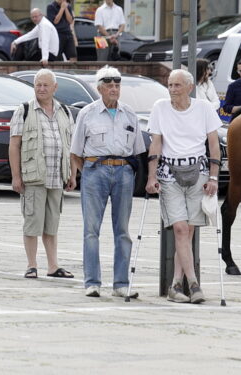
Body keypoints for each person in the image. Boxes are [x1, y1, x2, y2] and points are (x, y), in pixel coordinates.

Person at [145, 69, 221, 304]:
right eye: (169, 85)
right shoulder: (160, 107)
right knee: (179, 229)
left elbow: (214, 145)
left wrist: (214, 178)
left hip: (197, 173)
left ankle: (176, 285)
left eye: (177, 85)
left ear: (189, 87)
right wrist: (151, 177)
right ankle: (194, 284)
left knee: (188, 231)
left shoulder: (204, 108)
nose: (172, 90)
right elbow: (155, 144)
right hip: (169, 174)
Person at [68, 66, 145, 298]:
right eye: (109, 85)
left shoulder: (130, 113)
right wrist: (90, 171)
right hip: (95, 170)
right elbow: (75, 152)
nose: (114, 89)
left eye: (117, 85)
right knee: (91, 230)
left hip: (123, 172)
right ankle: (92, 282)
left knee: (122, 230)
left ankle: (121, 283)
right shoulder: (88, 113)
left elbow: (138, 149)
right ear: (100, 88)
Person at [8, 69, 74, 280]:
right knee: (32, 222)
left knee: (52, 223)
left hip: (57, 176)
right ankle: (31, 265)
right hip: (33, 175)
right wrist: (16, 176)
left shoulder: (64, 110)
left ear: (55, 88)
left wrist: (72, 174)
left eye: (46, 85)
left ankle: (53, 266)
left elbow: (70, 145)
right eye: (38, 85)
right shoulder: (24, 110)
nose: (42, 89)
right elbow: (14, 144)